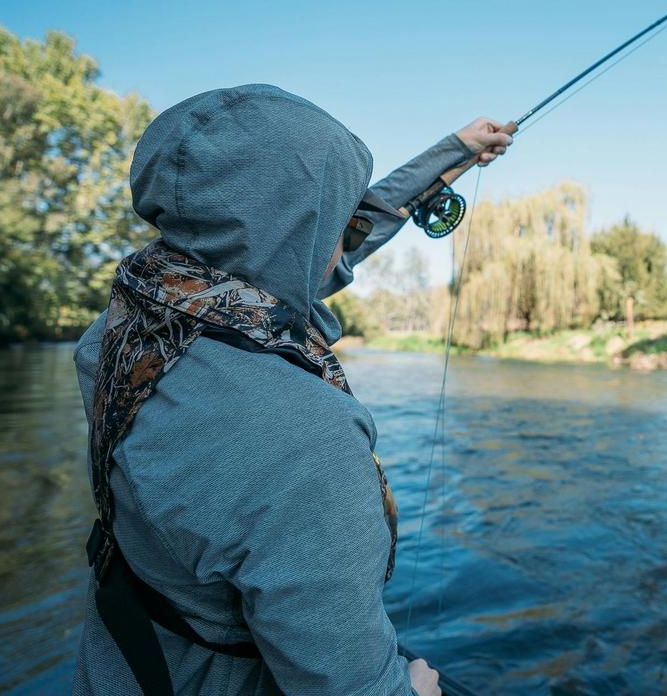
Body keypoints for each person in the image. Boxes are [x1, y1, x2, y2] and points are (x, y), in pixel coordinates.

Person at [71, 84, 512, 695]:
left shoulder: (127, 328)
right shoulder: (305, 438)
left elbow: (296, 249)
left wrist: (450, 155)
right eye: (333, 216)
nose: (344, 239)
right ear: (297, 229)